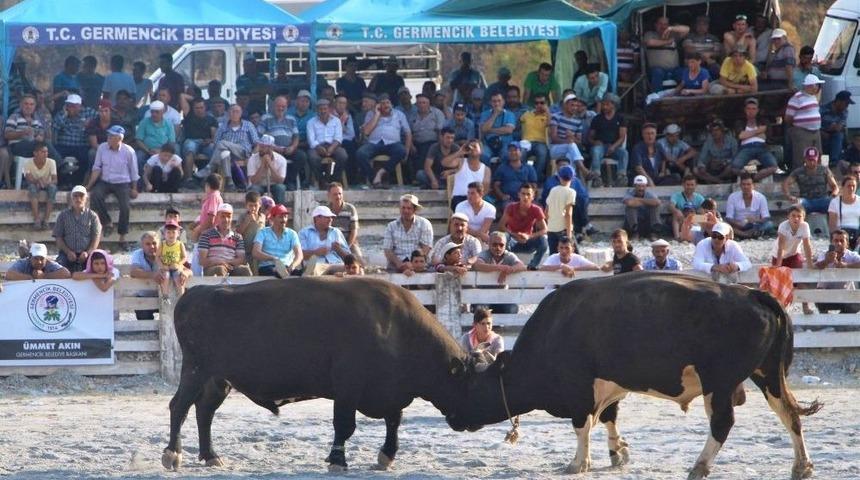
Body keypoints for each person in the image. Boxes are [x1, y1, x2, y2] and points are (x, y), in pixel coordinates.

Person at [87, 125, 138, 250]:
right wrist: (89, 185)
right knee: (95, 195)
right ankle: (107, 222)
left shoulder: (129, 151)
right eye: (109, 135)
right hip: (105, 181)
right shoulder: (102, 148)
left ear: (119, 138)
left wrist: (134, 188)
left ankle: (122, 237)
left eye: (112, 136)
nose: (108, 138)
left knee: (125, 206)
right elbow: (97, 168)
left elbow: (134, 171)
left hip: (122, 183)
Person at [358, 94, 412, 188]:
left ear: (391, 104)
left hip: (393, 144)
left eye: (388, 102)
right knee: (360, 153)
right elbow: (366, 131)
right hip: (374, 143)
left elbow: (408, 133)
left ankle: (380, 173)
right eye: (383, 103)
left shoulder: (399, 114)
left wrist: (407, 152)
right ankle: (374, 178)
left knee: (402, 151)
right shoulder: (371, 114)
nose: (386, 105)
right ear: (378, 105)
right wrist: (377, 115)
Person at [199, 105, 259, 190]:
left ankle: (210, 167)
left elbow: (256, 142)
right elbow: (216, 143)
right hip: (228, 154)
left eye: (237, 111)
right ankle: (230, 182)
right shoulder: (223, 126)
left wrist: (252, 155)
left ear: (241, 113)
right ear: (228, 113)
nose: (235, 113)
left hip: (242, 152)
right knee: (225, 153)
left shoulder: (248, 125)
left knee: (222, 143)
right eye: (232, 111)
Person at [472, 231, 527, 313]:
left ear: (505, 245)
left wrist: (509, 270)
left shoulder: (508, 255)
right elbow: (477, 265)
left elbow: (522, 266)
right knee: (480, 309)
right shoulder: (485, 254)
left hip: (502, 297)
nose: (498, 248)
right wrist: (500, 268)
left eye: (501, 245)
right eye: (494, 244)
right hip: (483, 296)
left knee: (512, 308)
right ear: (489, 244)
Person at [259, 95, 305, 189]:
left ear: (287, 107)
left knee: (301, 156)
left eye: (283, 106)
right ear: (273, 106)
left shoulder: (291, 119)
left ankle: (289, 181)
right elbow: (259, 136)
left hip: (288, 149)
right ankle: (276, 183)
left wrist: (292, 147)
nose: (280, 108)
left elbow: (296, 136)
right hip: (271, 149)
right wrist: (273, 147)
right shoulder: (265, 118)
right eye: (278, 106)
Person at [499, 183, 548, 270]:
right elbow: (501, 226)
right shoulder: (511, 207)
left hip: (528, 241)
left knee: (543, 240)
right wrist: (514, 235)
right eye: (523, 194)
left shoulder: (536, 209)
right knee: (504, 237)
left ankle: (533, 265)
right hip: (512, 241)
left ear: (533, 196)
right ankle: (507, 263)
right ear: (519, 195)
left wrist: (529, 236)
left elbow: (544, 229)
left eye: (528, 194)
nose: (525, 197)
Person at [52, 185, 101, 272]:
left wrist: (87, 253)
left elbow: (96, 238)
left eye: (81, 196)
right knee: (58, 270)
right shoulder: (63, 215)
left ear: (86, 198)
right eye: (75, 196)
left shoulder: (93, 216)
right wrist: (68, 252)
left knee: (98, 268)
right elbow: (58, 237)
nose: (78, 199)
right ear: (71, 198)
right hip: (66, 253)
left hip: (87, 253)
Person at [53, 94, 97, 186]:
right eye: (69, 105)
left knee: (86, 158)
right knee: (55, 156)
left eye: (74, 106)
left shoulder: (89, 113)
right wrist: (64, 115)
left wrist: (90, 124)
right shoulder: (61, 114)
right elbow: (55, 127)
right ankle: (61, 182)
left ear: (80, 106)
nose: (71, 108)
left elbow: (100, 119)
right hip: (64, 144)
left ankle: (78, 182)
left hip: (81, 145)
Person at [813, 229, 860, 314]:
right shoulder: (824, 254)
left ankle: (841, 319)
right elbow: (816, 267)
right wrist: (827, 261)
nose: (839, 243)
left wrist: (847, 266)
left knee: (857, 303)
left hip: (845, 295)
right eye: (836, 240)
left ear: (847, 244)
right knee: (819, 295)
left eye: (842, 241)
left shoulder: (851, 255)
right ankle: (826, 317)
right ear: (831, 242)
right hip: (825, 294)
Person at [383, 194, 434, 272]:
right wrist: (400, 264)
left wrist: (413, 264)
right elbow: (387, 250)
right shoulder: (391, 226)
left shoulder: (424, 224)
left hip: (419, 262)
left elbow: (426, 248)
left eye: (409, 208)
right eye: (403, 208)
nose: (405, 211)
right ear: (400, 209)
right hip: (397, 263)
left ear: (414, 209)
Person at [198, 203, 252, 277]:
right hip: (212, 268)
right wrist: (219, 262)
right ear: (217, 217)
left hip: (231, 267)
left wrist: (226, 262)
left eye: (228, 217)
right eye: (222, 216)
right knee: (220, 269)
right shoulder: (206, 235)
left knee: (245, 270)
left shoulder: (237, 237)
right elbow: (202, 261)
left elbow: (241, 259)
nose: (226, 220)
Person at [785, 74, 825, 170]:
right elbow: (788, 117)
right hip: (802, 131)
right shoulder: (796, 98)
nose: (818, 87)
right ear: (810, 86)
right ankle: (799, 174)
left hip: (815, 131)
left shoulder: (813, 97)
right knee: (800, 156)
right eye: (816, 85)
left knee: (817, 154)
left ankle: (817, 173)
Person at [782, 147, 839, 215]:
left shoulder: (824, 170)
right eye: (809, 160)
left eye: (813, 160)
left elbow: (835, 186)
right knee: (796, 206)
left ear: (817, 159)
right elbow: (786, 183)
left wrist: (834, 194)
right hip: (806, 200)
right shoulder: (798, 172)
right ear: (805, 159)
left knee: (834, 204)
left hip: (822, 199)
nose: (812, 162)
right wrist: (789, 196)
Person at [249, 204, 301, 278]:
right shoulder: (263, 232)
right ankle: (282, 274)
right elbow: (255, 252)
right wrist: (273, 258)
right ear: (272, 218)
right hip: (268, 267)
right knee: (272, 271)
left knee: (299, 273)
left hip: (287, 267)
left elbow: (299, 255)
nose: (284, 220)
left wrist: (293, 265)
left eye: (285, 217)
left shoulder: (292, 233)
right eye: (281, 217)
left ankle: (305, 273)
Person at [732, 97, 778, 180]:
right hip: (746, 148)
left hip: (762, 147)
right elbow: (741, 136)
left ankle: (753, 178)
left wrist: (748, 134)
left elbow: (766, 136)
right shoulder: (740, 122)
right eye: (748, 108)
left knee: (773, 166)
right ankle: (750, 175)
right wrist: (758, 131)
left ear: (757, 110)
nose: (751, 111)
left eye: (753, 109)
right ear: (745, 110)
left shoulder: (764, 121)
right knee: (735, 167)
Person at [588, 93, 628, 187]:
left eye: (607, 104)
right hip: (601, 146)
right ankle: (596, 177)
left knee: (624, 153)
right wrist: (594, 142)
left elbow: (622, 137)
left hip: (614, 147)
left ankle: (621, 177)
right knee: (596, 151)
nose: (604, 107)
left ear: (614, 105)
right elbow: (590, 137)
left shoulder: (620, 118)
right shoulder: (597, 119)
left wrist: (614, 147)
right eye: (603, 104)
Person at [307, 99, 348, 188]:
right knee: (313, 157)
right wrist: (319, 147)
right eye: (320, 109)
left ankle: (334, 179)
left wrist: (332, 148)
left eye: (325, 109)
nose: (323, 111)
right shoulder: (311, 122)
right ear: (317, 110)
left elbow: (338, 138)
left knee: (343, 155)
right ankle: (322, 181)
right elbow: (311, 140)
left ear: (330, 109)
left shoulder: (336, 121)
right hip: (317, 147)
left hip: (333, 146)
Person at [299, 205, 350, 273]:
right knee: (315, 269)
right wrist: (316, 252)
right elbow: (300, 255)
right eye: (327, 217)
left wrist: (339, 249)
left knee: (351, 268)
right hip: (317, 265)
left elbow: (349, 258)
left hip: (336, 265)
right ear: (317, 218)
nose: (330, 219)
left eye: (331, 217)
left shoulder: (336, 232)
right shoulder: (304, 233)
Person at [643, 17, 689, 92]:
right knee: (657, 72)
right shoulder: (650, 34)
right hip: (656, 69)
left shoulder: (673, 35)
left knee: (685, 72)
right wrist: (668, 42)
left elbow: (687, 29)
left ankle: (685, 95)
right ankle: (657, 96)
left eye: (665, 24)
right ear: (655, 25)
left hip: (674, 70)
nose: (663, 26)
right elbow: (650, 42)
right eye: (660, 24)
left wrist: (671, 28)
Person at [548, 94, 588, 180]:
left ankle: (568, 179)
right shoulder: (556, 117)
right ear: (565, 105)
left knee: (570, 154)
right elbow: (553, 138)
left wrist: (572, 137)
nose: (574, 108)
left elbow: (579, 141)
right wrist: (567, 141)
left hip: (570, 149)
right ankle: (583, 170)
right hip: (555, 148)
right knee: (571, 146)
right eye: (572, 105)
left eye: (576, 106)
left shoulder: (578, 121)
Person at [725, 172, 775, 239]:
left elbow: (766, 217)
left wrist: (756, 220)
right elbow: (728, 217)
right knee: (725, 225)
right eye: (744, 184)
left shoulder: (761, 197)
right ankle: (746, 234)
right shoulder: (732, 197)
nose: (746, 187)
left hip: (754, 225)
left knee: (769, 224)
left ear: (753, 185)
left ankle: (744, 234)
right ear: (740, 185)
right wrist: (738, 223)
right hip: (738, 225)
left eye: (748, 184)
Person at [181, 98, 218, 180]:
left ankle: (210, 179)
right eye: (196, 108)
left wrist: (210, 140)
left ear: (205, 108)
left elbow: (214, 136)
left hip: (206, 142)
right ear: (193, 108)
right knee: (189, 149)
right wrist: (196, 98)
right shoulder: (189, 116)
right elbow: (182, 96)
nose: (199, 110)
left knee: (214, 150)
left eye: (201, 107)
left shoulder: (211, 119)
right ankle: (189, 179)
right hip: (192, 140)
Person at [23, 142, 58, 230]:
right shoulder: (28, 162)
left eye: (46, 152)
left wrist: (46, 183)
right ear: (35, 153)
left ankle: (46, 220)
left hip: (47, 184)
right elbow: (28, 178)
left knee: (53, 188)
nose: (45, 154)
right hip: (35, 183)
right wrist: (38, 181)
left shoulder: (51, 162)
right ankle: (37, 220)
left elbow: (55, 180)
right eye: (43, 152)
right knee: (32, 188)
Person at [135, 100, 175, 173]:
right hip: (146, 150)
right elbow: (138, 140)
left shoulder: (168, 124)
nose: (154, 114)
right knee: (138, 157)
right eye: (152, 112)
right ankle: (141, 178)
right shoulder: (144, 122)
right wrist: (148, 150)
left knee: (174, 158)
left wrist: (161, 151)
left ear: (162, 112)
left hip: (164, 151)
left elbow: (171, 142)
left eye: (157, 112)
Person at [246, 134, 287, 205]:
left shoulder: (281, 160)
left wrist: (270, 165)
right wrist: (262, 165)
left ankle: (278, 210)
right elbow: (253, 181)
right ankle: (255, 210)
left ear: (270, 148)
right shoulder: (252, 159)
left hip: (274, 185)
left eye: (263, 147)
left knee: (280, 188)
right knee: (253, 189)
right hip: (259, 185)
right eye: (260, 146)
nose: (260, 149)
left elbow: (280, 181)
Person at [544, 165, 576, 254]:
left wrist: (551, 223)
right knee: (572, 255)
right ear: (572, 178)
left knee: (553, 256)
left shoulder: (553, 190)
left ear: (559, 177)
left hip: (551, 229)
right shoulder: (571, 192)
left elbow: (546, 212)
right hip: (563, 229)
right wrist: (569, 235)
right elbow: (568, 214)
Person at [518, 93, 551, 180]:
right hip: (526, 141)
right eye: (536, 103)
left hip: (540, 142)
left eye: (542, 103)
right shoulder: (527, 114)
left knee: (542, 153)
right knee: (520, 153)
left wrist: (547, 111)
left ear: (546, 104)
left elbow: (550, 125)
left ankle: (534, 179)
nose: (539, 105)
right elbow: (519, 124)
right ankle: (522, 177)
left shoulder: (548, 116)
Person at [128, 231, 160, 319]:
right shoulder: (137, 254)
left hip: (163, 295)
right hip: (144, 295)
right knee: (142, 314)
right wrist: (154, 275)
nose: (152, 246)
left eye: (154, 243)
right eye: (148, 244)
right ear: (142, 245)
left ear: (159, 244)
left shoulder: (164, 253)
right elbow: (134, 271)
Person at [695, 120, 737, 184]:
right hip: (712, 168)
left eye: (717, 130)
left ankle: (715, 179)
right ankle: (720, 181)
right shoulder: (708, 142)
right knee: (696, 170)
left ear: (722, 131)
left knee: (733, 167)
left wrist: (724, 162)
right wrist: (702, 167)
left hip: (726, 168)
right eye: (712, 131)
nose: (714, 132)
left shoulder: (732, 141)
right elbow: (702, 158)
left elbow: (736, 158)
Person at [479, 92, 516, 164]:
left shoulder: (510, 114)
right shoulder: (484, 114)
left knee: (506, 155)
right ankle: (487, 171)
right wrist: (495, 114)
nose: (497, 104)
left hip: (505, 144)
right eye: (494, 101)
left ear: (503, 101)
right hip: (488, 144)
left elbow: (508, 130)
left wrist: (490, 130)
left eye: (499, 101)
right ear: (490, 102)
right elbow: (484, 129)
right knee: (483, 155)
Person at [156, 219, 189, 299]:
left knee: (179, 278)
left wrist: (179, 264)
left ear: (178, 234)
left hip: (176, 267)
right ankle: (165, 296)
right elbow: (157, 256)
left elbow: (184, 257)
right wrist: (162, 266)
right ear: (164, 234)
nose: (171, 235)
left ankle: (181, 297)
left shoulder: (180, 244)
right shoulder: (162, 244)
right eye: (168, 232)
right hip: (166, 267)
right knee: (165, 277)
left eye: (173, 232)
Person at [4, 242, 71, 281]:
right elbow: (9, 274)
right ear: (30, 257)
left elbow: (66, 274)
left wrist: (44, 276)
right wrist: (31, 278)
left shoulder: (49, 263)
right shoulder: (23, 263)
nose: (39, 262)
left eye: (42, 259)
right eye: (36, 258)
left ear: (46, 258)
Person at [623, 175, 662, 239]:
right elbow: (629, 203)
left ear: (646, 186)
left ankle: (654, 233)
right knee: (630, 208)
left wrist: (638, 200)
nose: (641, 188)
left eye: (643, 186)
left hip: (648, 222)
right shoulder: (630, 192)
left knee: (655, 207)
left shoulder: (649, 194)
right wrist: (647, 202)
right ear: (634, 186)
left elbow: (658, 202)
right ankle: (635, 233)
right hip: (634, 224)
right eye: (638, 186)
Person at [820, 91, 853, 166]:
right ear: (838, 101)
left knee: (838, 136)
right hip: (821, 132)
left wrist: (835, 127)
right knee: (825, 140)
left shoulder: (844, 112)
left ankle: (834, 161)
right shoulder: (823, 109)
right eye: (846, 104)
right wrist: (822, 131)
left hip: (834, 134)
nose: (847, 106)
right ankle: (824, 164)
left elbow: (840, 126)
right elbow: (815, 124)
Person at [828, 175, 860, 250]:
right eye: (849, 186)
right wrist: (838, 240)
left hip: (857, 233)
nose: (851, 188)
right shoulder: (835, 202)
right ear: (842, 187)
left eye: (853, 186)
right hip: (840, 233)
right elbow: (832, 225)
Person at [668, 175, 705, 239]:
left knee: (705, 217)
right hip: (681, 218)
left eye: (692, 185)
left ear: (696, 185)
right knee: (675, 215)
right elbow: (671, 206)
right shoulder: (676, 195)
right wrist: (676, 211)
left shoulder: (699, 197)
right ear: (683, 185)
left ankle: (701, 236)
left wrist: (700, 212)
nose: (690, 187)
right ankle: (677, 237)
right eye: (687, 185)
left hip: (694, 219)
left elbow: (705, 209)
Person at [190, 173, 223, 242]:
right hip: (207, 229)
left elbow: (211, 217)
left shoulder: (213, 197)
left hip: (209, 232)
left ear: (207, 185)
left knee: (195, 241)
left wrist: (201, 230)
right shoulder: (212, 197)